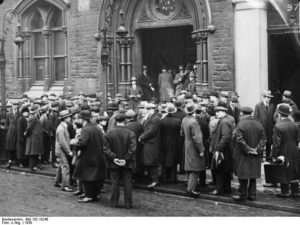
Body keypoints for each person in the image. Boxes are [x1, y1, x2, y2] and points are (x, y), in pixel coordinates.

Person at [233, 106, 267, 202]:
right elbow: (264, 138)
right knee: (253, 176)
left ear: (242, 114)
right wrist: (257, 149)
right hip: (256, 155)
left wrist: (249, 150)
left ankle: (242, 195)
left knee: (243, 176)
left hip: (243, 154)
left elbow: (239, 140)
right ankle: (252, 195)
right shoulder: (258, 124)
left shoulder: (240, 124)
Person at [73, 110, 107, 203]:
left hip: (88, 156)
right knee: (94, 177)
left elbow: (83, 143)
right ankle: (95, 194)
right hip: (98, 155)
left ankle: (88, 195)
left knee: (87, 177)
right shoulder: (96, 127)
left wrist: (75, 145)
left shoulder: (86, 129)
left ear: (82, 119)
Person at [104, 113, 136, 209]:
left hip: (113, 163)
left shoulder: (109, 132)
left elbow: (105, 148)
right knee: (128, 183)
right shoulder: (130, 133)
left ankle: (114, 202)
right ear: (125, 120)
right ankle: (128, 204)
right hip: (128, 163)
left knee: (114, 183)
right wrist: (125, 159)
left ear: (115, 121)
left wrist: (114, 158)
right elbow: (133, 149)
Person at [271, 104, 300, 198]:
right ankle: (295, 191)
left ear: (279, 114)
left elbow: (276, 144)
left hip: (283, 151)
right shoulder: (295, 125)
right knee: (294, 170)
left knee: (284, 170)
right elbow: (297, 139)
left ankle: (285, 191)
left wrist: (274, 155)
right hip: (294, 150)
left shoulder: (278, 126)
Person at [181, 103, 206, 198]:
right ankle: (191, 189)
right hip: (193, 147)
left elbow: (181, 133)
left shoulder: (184, 119)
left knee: (189, 167)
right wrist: (201, 150)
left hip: (187, 145)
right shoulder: (194, 122)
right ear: (194, 112)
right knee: (195, 169)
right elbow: (197, 138)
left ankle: (189, 185)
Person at [210, 105, 233, 195]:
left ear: (223, 112)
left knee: (219, 169)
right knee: (225, 169)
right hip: (225, 150)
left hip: (223, 150)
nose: (216, 113)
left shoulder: (224, 122)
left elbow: (225, 136)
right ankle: (227, 188)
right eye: (216, 111)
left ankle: (218, 189)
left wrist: (218, 149)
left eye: (218, 112)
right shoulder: (226, 120)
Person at [139, 103, 161, 188]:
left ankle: (155, 180)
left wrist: (141, 138)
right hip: (149, 142)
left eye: (148, 109)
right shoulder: (150, 117)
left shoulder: (155, 119)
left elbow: (151, 131)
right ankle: (152, 178)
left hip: (152, 143)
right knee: (149, 161)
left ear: (153, 109)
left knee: (152, 162)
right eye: (146, 109)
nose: (146, 110)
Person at [160, 104, 181, 183]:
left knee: (164, 160)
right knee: (174, 161)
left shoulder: (162, 120)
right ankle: (173, 179)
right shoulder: (178, 121)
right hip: (174, 143)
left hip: (164, 142)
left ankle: (164, 178)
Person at [54, 110, 73, 192]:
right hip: (61, 150)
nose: (70, 118)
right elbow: (63, 142)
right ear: (65, 118)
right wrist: (69, 151)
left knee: (61, 166)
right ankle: (65, 185)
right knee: (65, 167)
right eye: (68, 117)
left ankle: (57, 181)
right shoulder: (61, 128)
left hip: (61, 150)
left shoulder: (63, 126)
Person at [253, 90, 275, 164]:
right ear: (264, 97)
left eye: (270, 97)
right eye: (268, 97)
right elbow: (255, 118)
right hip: (261, 128)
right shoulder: (258, 106)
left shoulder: (272, 105)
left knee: (269, 143)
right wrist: (260, 126)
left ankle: (268, 158)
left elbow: (273, 117)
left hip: (269, 128)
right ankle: (261, 158)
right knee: (261, 143)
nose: (269, 99)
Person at [125, 110, 143, 182]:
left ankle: (132, 177)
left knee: (131, 161)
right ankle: (139, 177)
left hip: (130, 146)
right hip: (139, 145)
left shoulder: (126, 126)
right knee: (138, 160)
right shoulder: (140, 125)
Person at [25, 104, 44, 171]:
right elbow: (29, 129)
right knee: (33, 153)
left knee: (35, 153)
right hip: (34, 138)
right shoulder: (33, 118)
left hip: (35, 137)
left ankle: (35, 165)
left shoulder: (34, 117)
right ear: (36, 111)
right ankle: (32, 167)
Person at [5, 101, 19, 169]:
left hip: (17, 133)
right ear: (12, 106)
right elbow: (6, 123)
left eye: (16, 105)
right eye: (14, 105)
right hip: (10, 133)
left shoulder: (19, 113)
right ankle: (9, 160)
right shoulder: (8, 114)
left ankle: (15, 160)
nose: (15, 106)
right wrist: (9, 129)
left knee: (16, 147)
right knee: (10, 147)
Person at [16, 103, 30, 168]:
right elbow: (19, 129)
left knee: (23, 151)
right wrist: (20, 138)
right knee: (20, 151)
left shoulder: (25, 118)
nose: (27, 113)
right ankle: (20, 163)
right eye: (26, 112)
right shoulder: (21, 119)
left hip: (24, 137)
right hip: (21, 138)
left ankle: (23, 163)